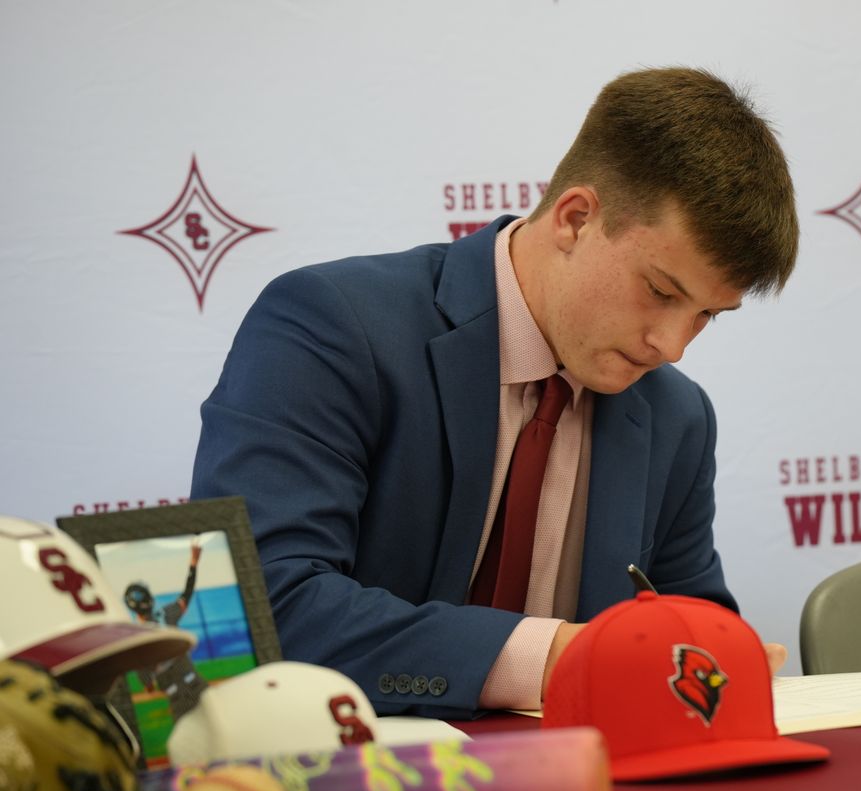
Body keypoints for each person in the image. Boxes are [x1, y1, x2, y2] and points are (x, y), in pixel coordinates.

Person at [191, 66, 798, 719]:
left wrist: (714, 659)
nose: (671, 347)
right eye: (661, 291)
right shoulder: (331, 326)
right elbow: (258, 609)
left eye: (707, 315)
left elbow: (688, 636)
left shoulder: (678, 417)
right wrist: (556, 658)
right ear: (575, 218)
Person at [123, 537, 208, 721]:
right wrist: (193, 563)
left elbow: (147, 681)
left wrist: (149, 685)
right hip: (196, 684)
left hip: (176, 698)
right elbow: (187, 594)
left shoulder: (137, 638)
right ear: (150, 599)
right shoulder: (166, 615)